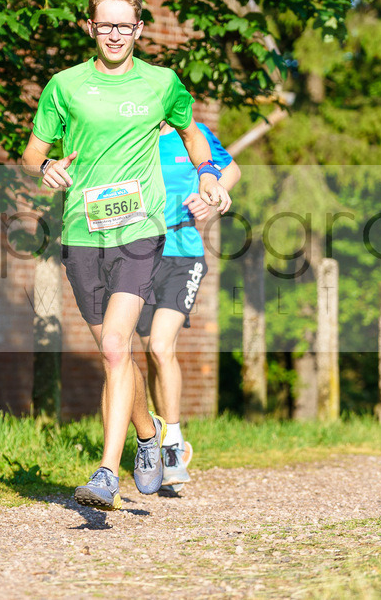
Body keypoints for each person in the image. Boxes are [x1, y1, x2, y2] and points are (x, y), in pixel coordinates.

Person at [20, 0, 232, 511]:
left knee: (118, 346)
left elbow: (192, 133)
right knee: (115, 352)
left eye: (125, 25)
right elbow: (32, 152)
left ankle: (105, 474)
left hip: (140, 232)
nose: (114, 34)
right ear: (89, 27)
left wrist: (208, 175)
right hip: (81, 234)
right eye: (105, 24)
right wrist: (44, 168)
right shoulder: (64, 86)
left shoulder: (162, 83)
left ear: (139, 29)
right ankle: (147, 434)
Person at [136, 121, 239, 494]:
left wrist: (211, 197)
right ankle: (160, 441)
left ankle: (174, 446)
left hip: (184, 256)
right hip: (138, 257)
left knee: (162, 347)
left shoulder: (193, 132)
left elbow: (230, 169)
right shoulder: (131, 132)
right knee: (151, 353)